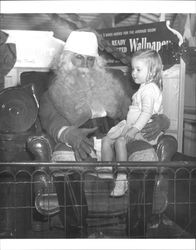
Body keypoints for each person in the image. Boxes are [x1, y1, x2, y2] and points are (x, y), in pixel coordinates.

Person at [38, 30, 171, 236]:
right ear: (66, 59)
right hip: (82, 142)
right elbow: (49, 118)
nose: (84, 64)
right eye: (79, 58)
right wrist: (68, 134)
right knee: (62, 159)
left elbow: (140, 109)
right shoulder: (54, 90)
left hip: (120, 141)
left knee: (146, 157)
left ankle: (137, 236)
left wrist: (163, 120)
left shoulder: (113, 86)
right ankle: (77, 236)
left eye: (90, 60)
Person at [102, 49, 164, 197]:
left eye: (138, 69)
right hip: (132, 126)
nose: (133, 73)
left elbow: (146, 113)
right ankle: (105, 172)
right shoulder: (144, 87)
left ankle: (121, 179)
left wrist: (134, 129)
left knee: (120, 142)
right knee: (108, 140)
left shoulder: (148, 90)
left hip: (142, 130)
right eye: (133, 69)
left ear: (152, 71)